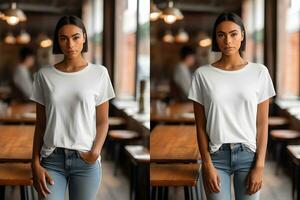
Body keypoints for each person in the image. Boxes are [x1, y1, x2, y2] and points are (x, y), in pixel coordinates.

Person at [188, 12, 276, 200]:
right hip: (216, 157)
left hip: (249, 157)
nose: (228, 40)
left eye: (233, 34)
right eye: (221, 35)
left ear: (242, 35)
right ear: (215, 38)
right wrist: (207, 165)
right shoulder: (202, 75)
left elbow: (262, 124)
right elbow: (200, 127)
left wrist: (259, 166)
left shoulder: (259, 72)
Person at [30, 15, 115, 200]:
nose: (70, 44)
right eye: (63, 38)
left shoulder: (99, 73)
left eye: (75, 37)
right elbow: (40, 125)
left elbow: (102, 121)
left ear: (84, 37)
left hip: (85, 160)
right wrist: (35, 163)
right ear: (57, 41)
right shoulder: (44, 76)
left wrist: (95, 151)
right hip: (51, 159)